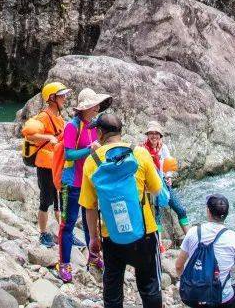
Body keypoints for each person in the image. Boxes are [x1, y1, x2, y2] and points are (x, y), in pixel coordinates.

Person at [80, 112, 164, 308]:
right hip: (145, 232)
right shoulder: (140, 153)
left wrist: (93, 238)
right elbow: (156, 189)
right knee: (150, 286)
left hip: (112, 234)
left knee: (113, 288)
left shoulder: (92, 161)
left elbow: (89, 207)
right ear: (120, 132)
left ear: (100, 133)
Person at [57, 87, 110, 282]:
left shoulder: (94, 127)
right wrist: (89, 149)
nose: (97, 108)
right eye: (94, 105)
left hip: (89, 182)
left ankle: (94, 257)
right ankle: (64, 264)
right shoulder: (72, 126)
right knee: (68, 224)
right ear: (85, 108)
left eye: (97, 105)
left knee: (91, 225)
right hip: (71, 183)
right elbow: (69, 154)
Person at [175, 194, 235, 308]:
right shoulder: (234, 237)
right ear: (226, 214)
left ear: (208, 211)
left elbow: (178, 266)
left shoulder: (193, 231)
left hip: (192, 298)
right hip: (222, 302)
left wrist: (189, 286)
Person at [22, 81, 72, 247]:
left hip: (57, 164)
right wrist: (48, 138)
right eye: (61, 95)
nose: (65, 98)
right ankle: (43, 233)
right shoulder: (44, 116)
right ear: (52, 98)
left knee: (60, 200)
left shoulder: (58, 117)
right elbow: (29, 134)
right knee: (46, 201)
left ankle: (64, 232)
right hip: (45, 165)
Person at [143, 121, 190, 235]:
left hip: (164, 183)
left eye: (156, 133)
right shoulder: (143, 149)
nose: (154, 136)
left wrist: (168, 176)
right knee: (157, 216)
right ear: (148, 135)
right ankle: (158, 245)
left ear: (160, 135)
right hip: (150, 186)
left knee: (181, 210)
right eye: (151, 133)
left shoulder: (163, 148)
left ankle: (189, 238)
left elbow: (168, 164)